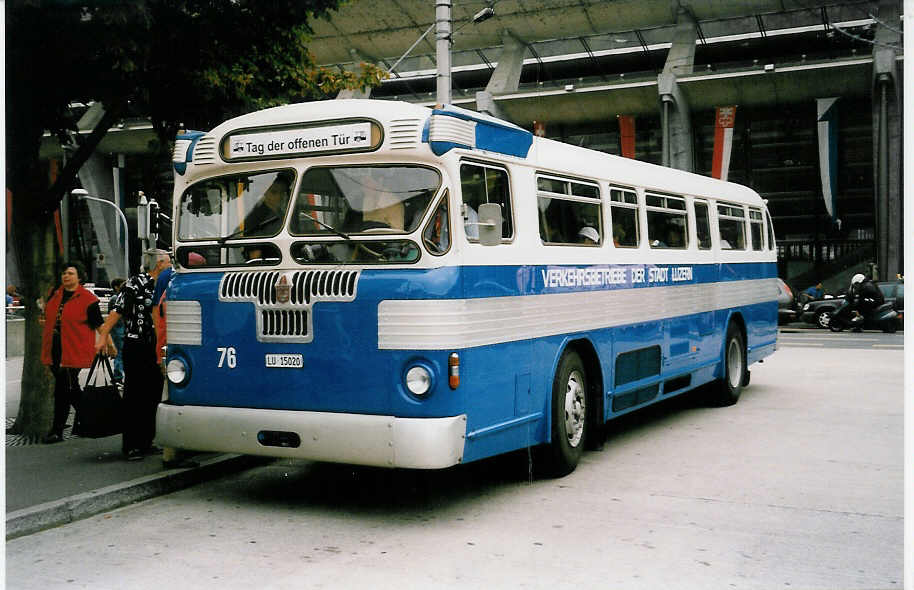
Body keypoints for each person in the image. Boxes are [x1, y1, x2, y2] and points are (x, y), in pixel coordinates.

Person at [95, 249, 170, 460]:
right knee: (135, 395)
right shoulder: (135, 283)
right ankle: (131, 445)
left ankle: (147, 440)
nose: (171, 266)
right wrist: (103, 336)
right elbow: (117, 311)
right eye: (168, 262)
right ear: (159, 264)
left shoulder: (165, 284)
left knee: (153, 394)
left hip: (156, 346)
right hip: (137, 345)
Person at [39, 262, 113, 443]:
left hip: (73, 349)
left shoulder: (88, 299)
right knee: (69, 390)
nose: (66, 276)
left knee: (64, 390)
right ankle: (91, 421)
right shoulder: (55, 295)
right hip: (54, 348)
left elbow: (99, 324)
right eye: (64, 273)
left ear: (79, 277)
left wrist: (109, 344)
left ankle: (59, 430)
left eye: (71, 273)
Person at [109, 278, 126, 383]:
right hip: (118, 329)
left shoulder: (117, 297)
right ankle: (117, 377)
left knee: (120, 353)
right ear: (116, 287)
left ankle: (118, 376)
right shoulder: (116, 298)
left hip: (118, 329)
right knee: (119, 353)